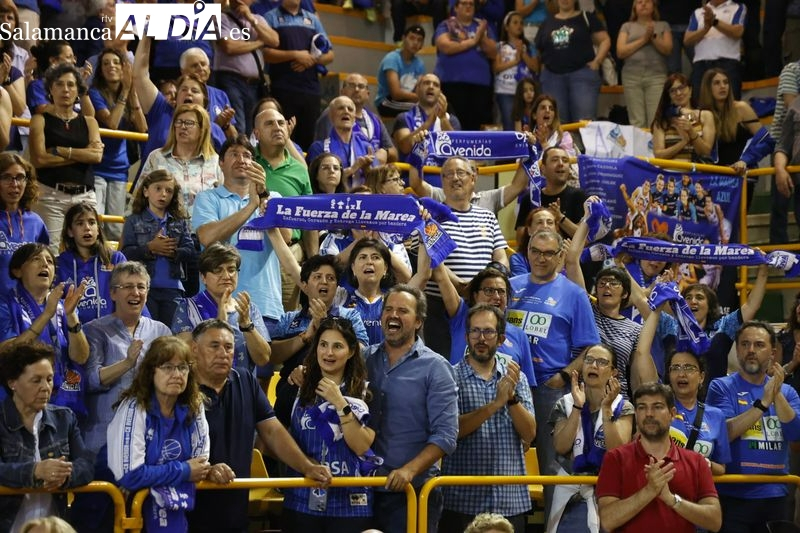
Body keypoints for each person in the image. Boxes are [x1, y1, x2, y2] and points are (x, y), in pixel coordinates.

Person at [186, 319, 333, 533]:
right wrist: (206, 470)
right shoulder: (180, 388)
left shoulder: (245, 380)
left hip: (235, 510)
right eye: (214, 346)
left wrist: (306, 467)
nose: (223, 353)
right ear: (194, 349)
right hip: (187, 513)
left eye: (228, 347)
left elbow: (272, 431)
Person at [508, 229, 600, 523]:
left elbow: (591, 347)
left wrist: (563, 375)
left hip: (550, 389)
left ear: (560, 255)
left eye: (549, 253)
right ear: (527, 252)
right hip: (509, 387)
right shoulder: (510, 287)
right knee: (505, 463)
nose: (541, 258)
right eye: (535, 251)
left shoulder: (574, 294)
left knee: (553, 468)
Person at [365, 285, 458, 533]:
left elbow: (446, 436)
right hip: (363, 490)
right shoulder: (363, 359)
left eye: (403, 311)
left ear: (418, 322)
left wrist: (409, 470)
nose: (393, 315)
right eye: (388, 309)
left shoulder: (436, 368)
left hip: (413, 491)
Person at [439, 304, 536, 533]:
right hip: (462, 500)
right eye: (475, 331)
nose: (481, 338)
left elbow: (530, 433)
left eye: (488, 332)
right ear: (466, 337)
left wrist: (511, 399)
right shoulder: (449, 376)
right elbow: (451, 431)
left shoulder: (517, 377)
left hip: (510, 500)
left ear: (500, 339)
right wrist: (494, 405)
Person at [106, 336, 211, 533]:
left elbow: (199, 465)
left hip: (173, 509)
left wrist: (156, 474)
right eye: (168, 367)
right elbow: (130, 475)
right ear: (151, 371)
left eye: (182, 367)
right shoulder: (134, 408)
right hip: (121, 510)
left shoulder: (194, 406)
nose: (177, 374)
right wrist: (183, 471)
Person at [283, 317, 376, 532]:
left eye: (338, 346)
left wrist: (340, 403)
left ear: (351, 351)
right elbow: (274, 439)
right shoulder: (296, 385)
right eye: (323, 345)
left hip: (351, 506)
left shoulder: (367, 392)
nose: (329, 353)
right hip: (301, 502)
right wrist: (305, 463)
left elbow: (362, 446)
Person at [705, 321, 800, 532]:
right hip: (732, 494)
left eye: (759, 345)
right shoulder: (721, 386)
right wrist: (763, 403)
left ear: (772, 353)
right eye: (745, 344)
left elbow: (795, 435)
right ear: (737, 349)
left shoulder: (788, 393)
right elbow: (724, 433)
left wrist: (776, 394)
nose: (751, 350)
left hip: (776, 496)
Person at [596, 382, 722, 532]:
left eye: (657, 407)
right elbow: (607, 521)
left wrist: (672, 500)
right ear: (636, 413)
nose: (649, 414)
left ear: (672, 414)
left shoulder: (696, 462)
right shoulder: (615, 458)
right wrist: (649, 491)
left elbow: (715, 522)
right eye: (642, 407)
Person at [193, 135, 285, 334]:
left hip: (265, 304)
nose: (242, 160)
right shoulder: (207, 198)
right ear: (221, 163)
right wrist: (251, 206)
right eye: (234, 154)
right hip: (217, 304)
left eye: (247, 155)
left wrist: (263, 196)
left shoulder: (273, 198)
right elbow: (207, 238)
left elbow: (286, 238)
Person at [0, 342, 93, 532]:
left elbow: (86, 465)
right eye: (36, 380)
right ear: (12, 383)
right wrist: (35, 471)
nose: (46, 387)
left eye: (49, 379)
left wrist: (64, 476)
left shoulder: (64, 418)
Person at [422, 155, 508, 358]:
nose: (455, 178)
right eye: (449, 174)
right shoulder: (432, 217)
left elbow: (501, 257)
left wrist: (486, 284)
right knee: (442, 361)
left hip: (483, 303)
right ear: (442, 181)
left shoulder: (488, 216)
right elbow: (434, 259)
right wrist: (462, 286)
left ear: (473, 178)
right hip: (440, 305)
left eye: (460, 173)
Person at [82, 261, 172, 455]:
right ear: (113, 293)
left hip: (148, 440)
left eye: (141, 287)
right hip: (104, 441)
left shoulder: (161, 331)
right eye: (128, 287)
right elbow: (90, 380)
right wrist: (127, 363)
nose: (136, 292)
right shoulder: (94, 330)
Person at [548, 343, 634, 532]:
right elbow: (561, 446)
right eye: (589, 360)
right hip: (570, 492)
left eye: (602, 362)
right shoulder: (565, 402)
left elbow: (618, 450)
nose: (594, 365)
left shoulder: (623, 407)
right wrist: (577, 408)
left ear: (613, 372)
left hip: (609, 493)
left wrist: (606, 409)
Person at [0, 244, 88, 414]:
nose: (45, 264)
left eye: (49, 261)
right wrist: (46, 314)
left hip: (62, 402)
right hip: (18, 403)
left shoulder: (65, 306)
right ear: (17, 271)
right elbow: (6, 353)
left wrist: (71, 316)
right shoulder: (5, 304)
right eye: (36, 259)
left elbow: (81, 357)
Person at [28, 63, 103, 254]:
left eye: (70, 84)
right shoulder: (39, 119)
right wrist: (82, 155)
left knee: (89, 251)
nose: (65, 89)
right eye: (59, 84)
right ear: (50, 89)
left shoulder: (90, 121)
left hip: (85, 195)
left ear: (78, 90)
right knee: (50, 253)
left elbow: (96, 156)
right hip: (50, 195)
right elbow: (39, 160)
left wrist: (60, 150)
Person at [172, 242, 271, 374]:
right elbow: (184, 354)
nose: (226, 276)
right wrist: (220, 322)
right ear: (203, 277)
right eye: (218, 270)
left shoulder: (248, 309)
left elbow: (263, 359)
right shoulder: (188, 307)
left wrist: (247, 326)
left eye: (231, 270)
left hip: (241, 385)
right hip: (203, 384)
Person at [252, 107, 316, 309]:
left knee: (287, 317)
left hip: (291, 251)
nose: (277, 127)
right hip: (253, 250)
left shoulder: (299, 169)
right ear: (256, 133)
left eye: (281, 123)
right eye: (269, 123)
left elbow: (309, 220)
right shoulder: (247, 163)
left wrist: (313, 260)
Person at [122, 169, 195, 324]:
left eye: (169, 191)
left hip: (173, 288)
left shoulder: (179, 222)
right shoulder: (133, 220)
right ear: (146, 191)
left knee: (171, 333)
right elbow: (126, 253)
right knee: (147, 331)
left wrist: (173, 252)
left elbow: (190, 251)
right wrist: (150, 248)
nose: (163, 194)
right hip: (144, 288)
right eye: (158, 188)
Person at [88, 48, 146, 240]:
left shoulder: (129, 93)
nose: (110, 66)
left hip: (120, 168)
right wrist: (126, 91)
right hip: (98, 166)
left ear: (124, 68)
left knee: (114, 228)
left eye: (115, 62)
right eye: (105, 63)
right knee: (96, 221)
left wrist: (132, 92)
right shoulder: (95, 93)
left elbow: (142, 128)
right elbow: (112, 123)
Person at [263, 0, 335, 149]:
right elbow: (265, 53)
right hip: (283, 89)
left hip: (311, 90)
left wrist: (311, 59)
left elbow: (330, 55)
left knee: (308, 140)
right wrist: (295, 55)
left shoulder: (312, 19)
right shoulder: (270, 17)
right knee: (283, 138)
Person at [138, 104, 223, 217]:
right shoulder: (156, 157)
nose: (183, 127)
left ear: (202, 129)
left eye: (189, 123)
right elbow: (138, 199)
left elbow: (225, 203)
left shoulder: (215, 162)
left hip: (203, 226)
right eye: (179, 122)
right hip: (161, 227)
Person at [535, 0, 610, 123]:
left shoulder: (586, 17)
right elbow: (539, 51)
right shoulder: (547, 23)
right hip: (552, 78)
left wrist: (597, 61)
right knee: (556, 122)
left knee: (584, 122)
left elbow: (605, 40)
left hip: (582, 76)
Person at [214, 0, 279, 135]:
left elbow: (274, 40)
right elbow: (229, 47)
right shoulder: (221, 18)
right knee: (238, 125)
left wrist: (250, 18)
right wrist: (259, 43)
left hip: (254, 84)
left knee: (252, 129)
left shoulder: (258, 19)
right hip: (230, 80)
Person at [55, 202, 126, 325]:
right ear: (70, 231)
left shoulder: (115, 258)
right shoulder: (60, 264)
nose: (87, 228)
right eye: (80, 223)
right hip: (74, 331)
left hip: (111, 330)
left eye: (92, 222)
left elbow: (131, 292)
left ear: (98, 229)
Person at [433, 0, 498, 131]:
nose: (468, 6)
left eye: (471, 4)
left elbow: (494, 52)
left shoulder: (481, 26)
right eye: (464, 3)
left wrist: (482, 37)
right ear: (456, 8)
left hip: (480, 84)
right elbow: (445, 46)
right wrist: (473, 41)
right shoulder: (447, 25)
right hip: (452, 83)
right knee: (455, 124)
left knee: (478, 126)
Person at [391, 74, 461, 186]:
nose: (431, 87)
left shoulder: (450, 120)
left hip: (444, 179)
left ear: (440, 93)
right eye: (426, 83)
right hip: (412, 179)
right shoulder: (404, 118)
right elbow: (404, 147)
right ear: (417, 90)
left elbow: (458, 151)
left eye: (436, 85)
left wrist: (443, 119)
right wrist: (429, 122)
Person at [314, 73, 398, 163]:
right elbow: (324, 151)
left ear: (368, 94)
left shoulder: (375, 120)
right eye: (351, 85)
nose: (356, 89)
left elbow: (394, 153)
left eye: (361, 86)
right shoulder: (332, 114)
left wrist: (385, 152)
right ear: (342, 92)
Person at [306, 96, 384, 190]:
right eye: (341, 108)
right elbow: (315, 183)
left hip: (362, 198)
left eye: (350, 109)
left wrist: (366, 169)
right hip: (333, 198)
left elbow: (377, 185)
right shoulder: (319, 148)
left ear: (354, 117)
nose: (346, 111)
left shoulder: (367, 148)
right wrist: (352, 169)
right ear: (331, 116)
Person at [617, 0, 673, 129]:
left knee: (655, 119)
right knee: (637, 120)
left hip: (656, 76)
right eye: (639, 2)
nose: (643, 4)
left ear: (653, 6)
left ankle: (655, 142)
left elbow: (668, 49)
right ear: (634, 8)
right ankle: (639, 143)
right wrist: (644, 39)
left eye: (647, 1)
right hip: (631, 76)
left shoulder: (663, 25)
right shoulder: (627, 26)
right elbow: (620, 52)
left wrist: (653, 36)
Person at [0, 153, 49, 295]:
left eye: (20, 177)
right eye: (6, 177)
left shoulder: (36, 223)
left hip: (27, 303)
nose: (14, 184)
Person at [683, 0, 745, 102]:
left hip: (728, 64)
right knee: (699, 104)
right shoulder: (698, 12)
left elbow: (738, 32)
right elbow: (687, 40)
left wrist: (714, 22)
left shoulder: (738, 7)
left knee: (731, 104)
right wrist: (705, 28)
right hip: (701, 65)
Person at [651, 73, 716, 162]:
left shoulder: (705, 115)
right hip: (670, 169)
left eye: (681, 88)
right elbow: (658, 155)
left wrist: (691, 131)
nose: (678, 93)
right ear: (669, 96)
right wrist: (683, 142)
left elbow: (706, 152)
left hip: (696, 169)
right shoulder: (662, 120)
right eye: (672, 91)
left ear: (690, 90)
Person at [494, 11, 538, 131]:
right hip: (505, 91)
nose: (519, 25)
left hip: (526, 92)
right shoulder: (500, 46)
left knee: (529, 124)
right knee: (509, 123)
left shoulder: (529, 46)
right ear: (506, 27)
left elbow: (535, 67)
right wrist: (515, 61)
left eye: (521, 23)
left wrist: (523, 54)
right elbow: (496, 67)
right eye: (515, 22)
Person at [375, 25, 426, 117]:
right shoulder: (392, 58)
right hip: (386, 101)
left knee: (433, 106)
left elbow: (418, 90)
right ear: (403, 38)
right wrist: (422, 98)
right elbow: (396, 94)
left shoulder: (419, 64)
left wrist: (422, 97)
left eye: (419, 40)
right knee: (421, 109)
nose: (415, 42)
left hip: (406, 101)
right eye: (412, 38)